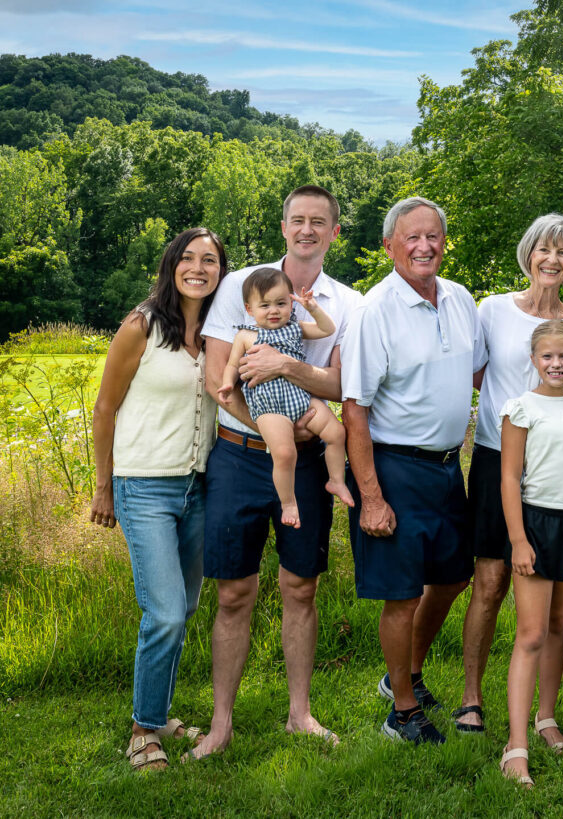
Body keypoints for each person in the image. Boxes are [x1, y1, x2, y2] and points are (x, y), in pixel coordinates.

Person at [193, 185, 363, 759]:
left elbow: (341, 386)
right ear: (284, 225)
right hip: (240, 456)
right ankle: (220, 724)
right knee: (234, 593)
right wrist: (273, 429)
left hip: (311, 458)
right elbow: (219, 378)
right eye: (298, 220)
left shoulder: (345, 304)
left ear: (334, 231)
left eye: (320, 221)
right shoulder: (243, 287)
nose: (308, 229)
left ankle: (300, 714)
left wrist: (288, 368)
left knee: (300, 587)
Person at [342, 196, 486, 745]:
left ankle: (405, 673)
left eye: (433, 237)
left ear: (443, 243)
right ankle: (402, 712)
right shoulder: (374, 311)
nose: (424, 246)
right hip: (394, 466)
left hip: (449, 467)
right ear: (389, 247)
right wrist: (372, 497)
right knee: (401, 593)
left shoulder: (460, 299)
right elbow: (354, 408)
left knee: (452, 577)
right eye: (411, 238)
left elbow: (476, 375)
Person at [455, 213, 563, 733]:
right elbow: (472, 375)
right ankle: (471, 696)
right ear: (528, 254)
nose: (552, 260)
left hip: (559, 473)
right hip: (500, 459)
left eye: (562, 252)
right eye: (543, 249)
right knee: (491, 582)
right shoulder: (492, 310)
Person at [90, 227, 226, 770]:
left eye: (210, 260)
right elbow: (105, 408)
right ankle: (143, 730)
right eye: (189, 258)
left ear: (221, 271)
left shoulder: (219, 335)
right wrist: (103, 486)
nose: (199, 267)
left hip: (199, 488)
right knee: (166, 612)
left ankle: (158, 709)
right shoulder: (141, 325)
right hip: (143, 485)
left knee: (185, 607)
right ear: (172, 265)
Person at [499, 320, 563, 787]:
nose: (556, 364)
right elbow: (509, 479)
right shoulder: (521, 409)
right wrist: (519, 540)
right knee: (532, 634)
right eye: (547, 357)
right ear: (533, 359)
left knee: (562, 625)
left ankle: (546, 718)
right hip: (536, 525)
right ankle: (515, 746)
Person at [217, 267, 354, 528]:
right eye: (265, 305)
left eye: (281, 303)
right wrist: (226, 383)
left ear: (290, 303)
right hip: (269, 406)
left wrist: (312, 307)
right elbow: (233, 365)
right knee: (284, 452)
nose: (273, 310)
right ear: (249, 308)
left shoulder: (295, 327)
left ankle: (336, 479)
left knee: (336, 433)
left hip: (300, 398)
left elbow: (327, 329)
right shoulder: (245, 335)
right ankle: (288, 502)